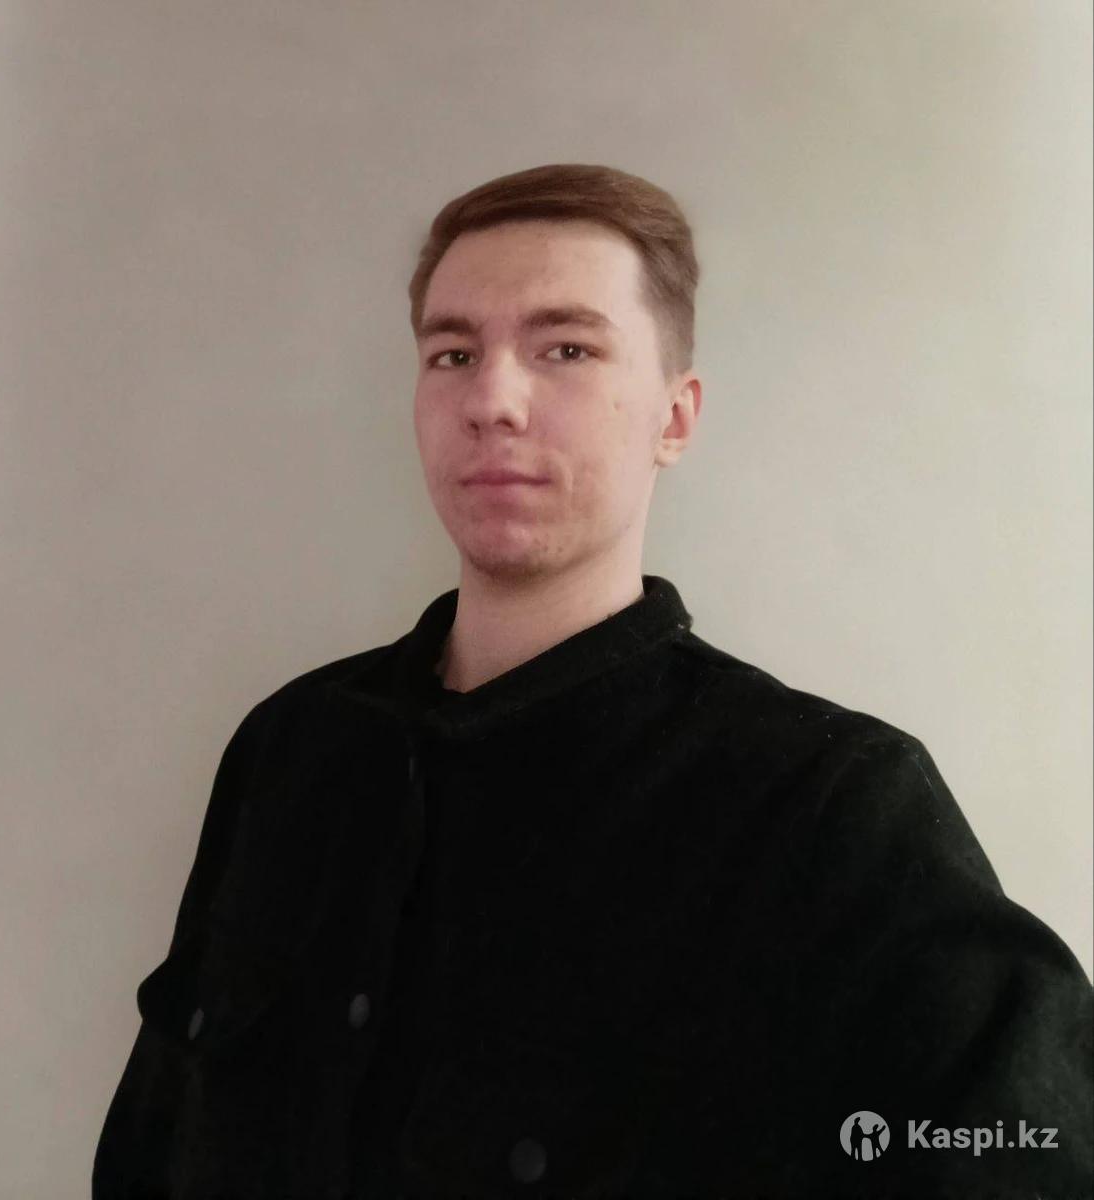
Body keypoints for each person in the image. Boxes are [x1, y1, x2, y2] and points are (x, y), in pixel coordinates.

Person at [92, 163, 1093, 1199]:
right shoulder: (290, 749)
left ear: (675, 417)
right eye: (452, 354)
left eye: (565, 348)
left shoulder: (829, 804)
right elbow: (147, 1151)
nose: (492, 400)